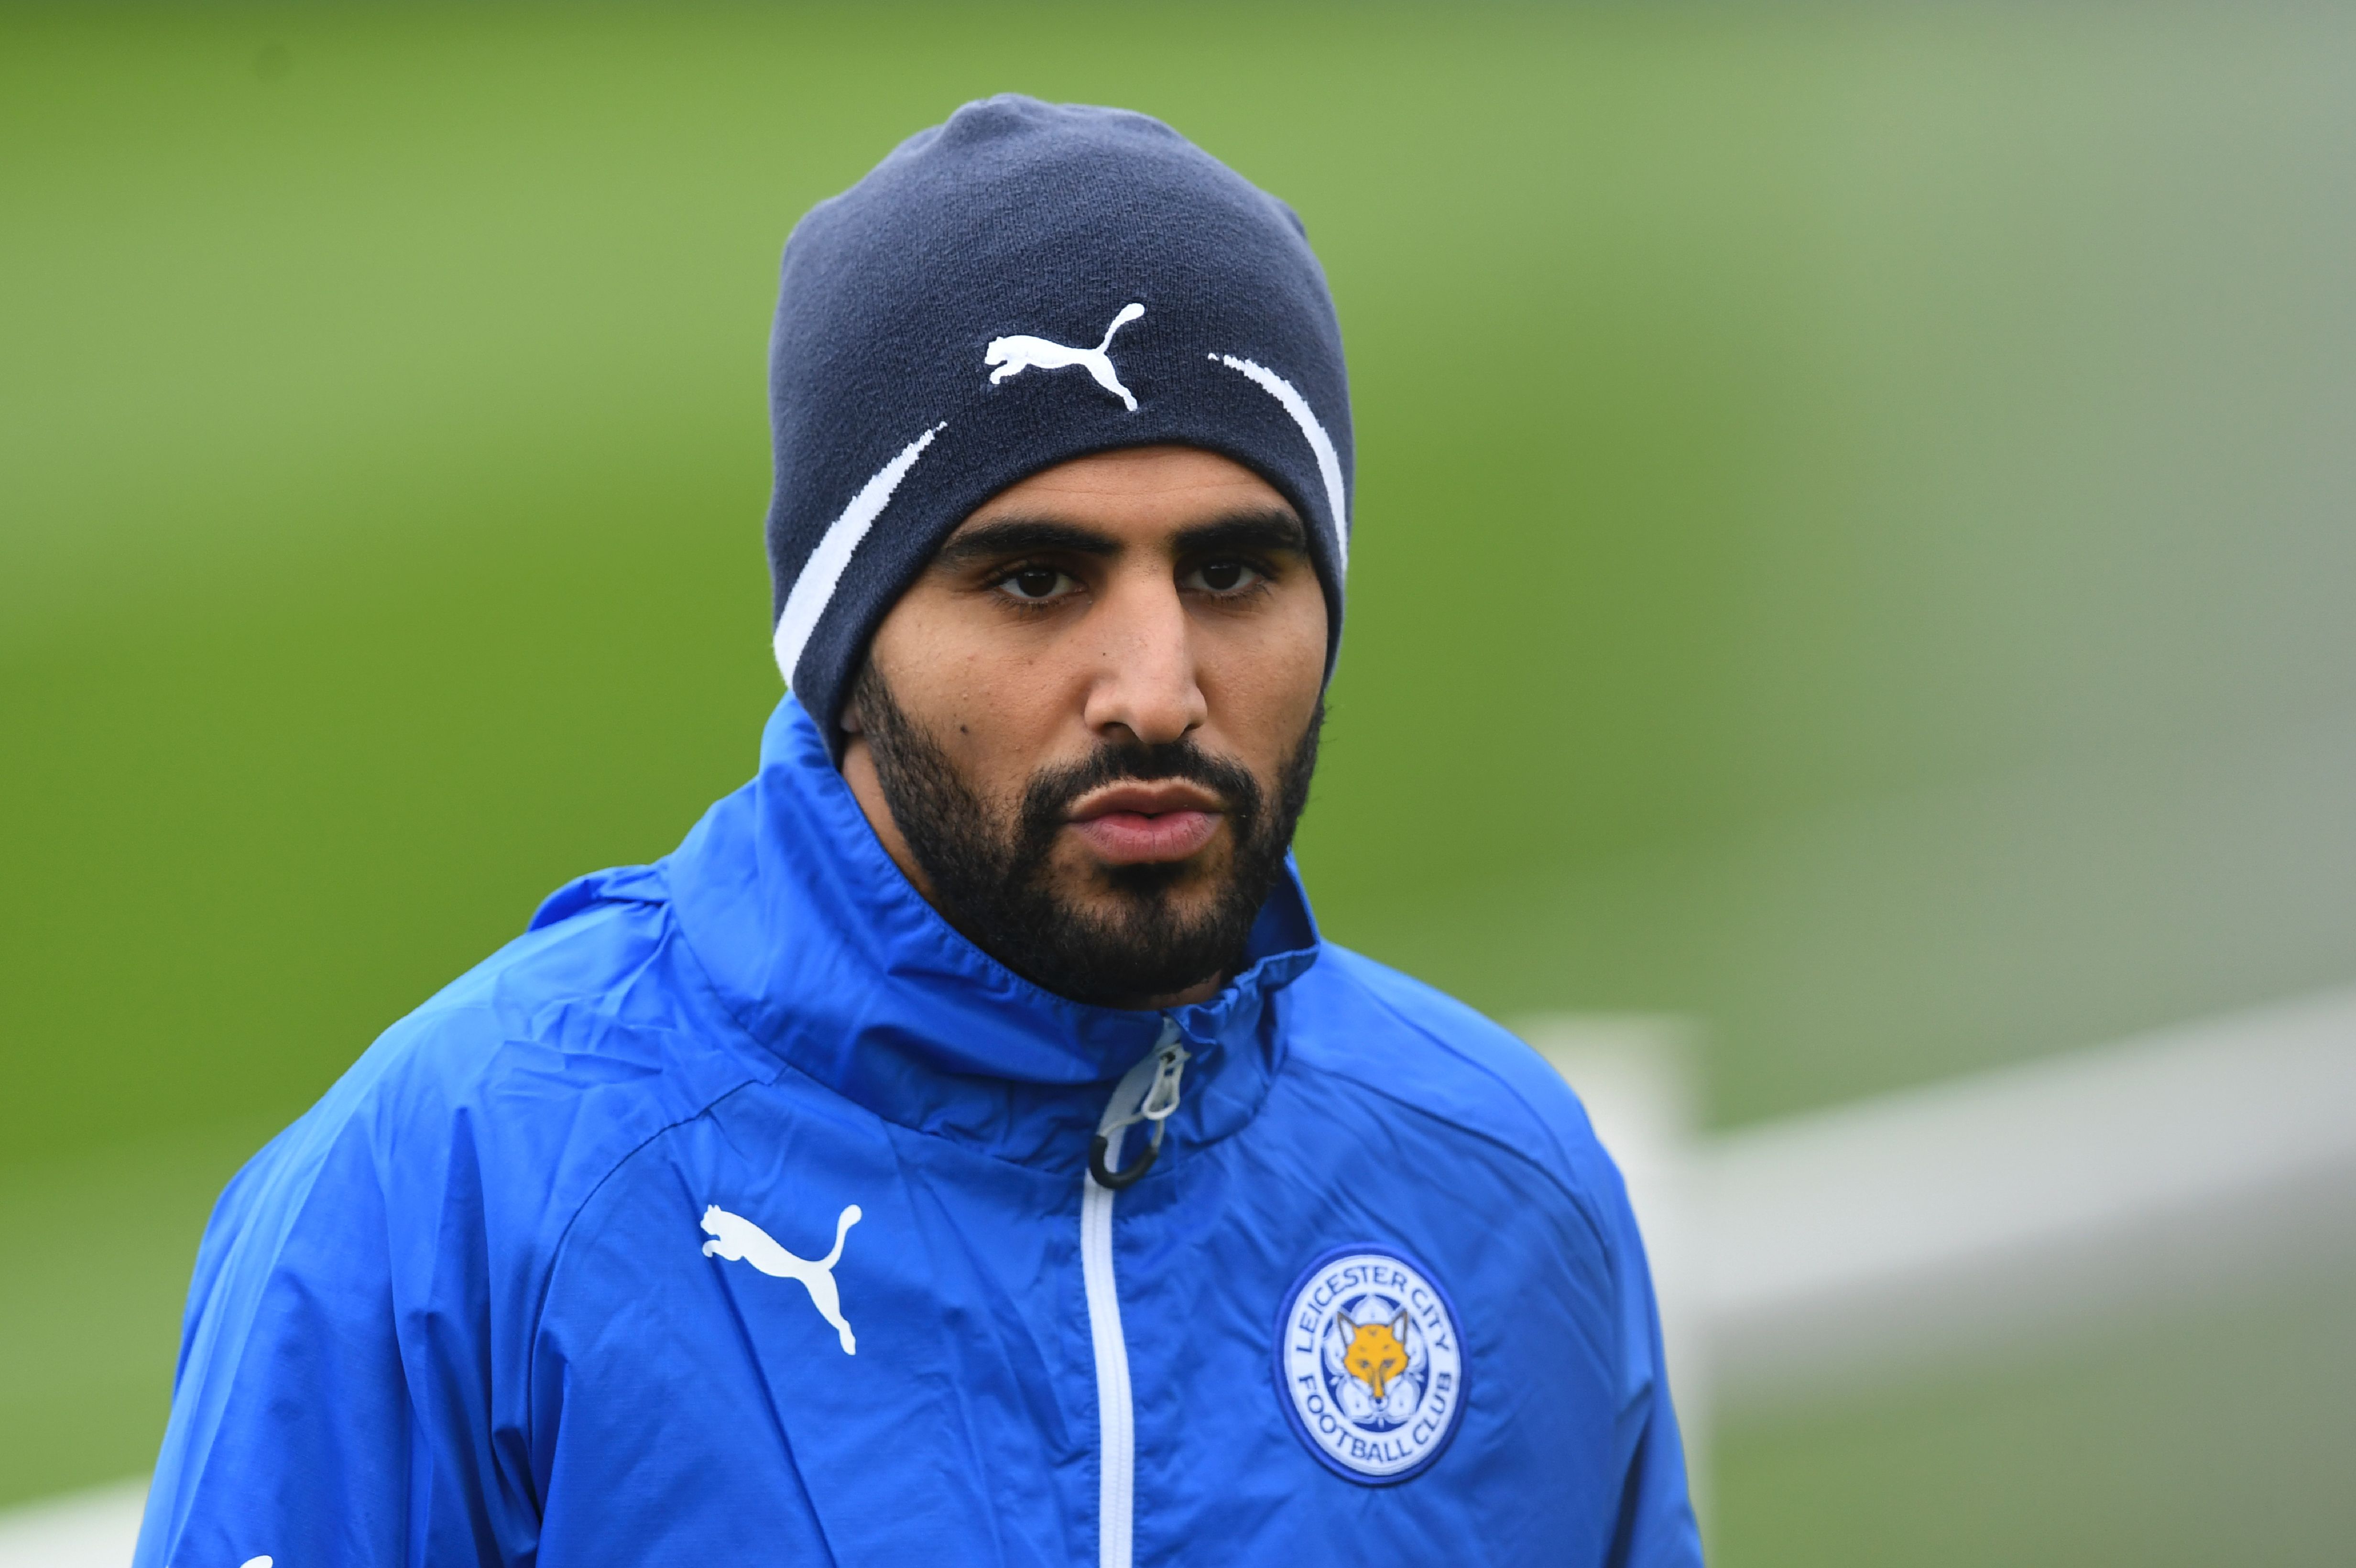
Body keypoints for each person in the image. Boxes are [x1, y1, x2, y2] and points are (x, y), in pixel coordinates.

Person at [137, 96, 1702, 1568]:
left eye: (1234, 574)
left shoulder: (1500, 1187)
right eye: (1035, 580)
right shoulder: (448, 1201)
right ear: (848, 652)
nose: (1158, 690)